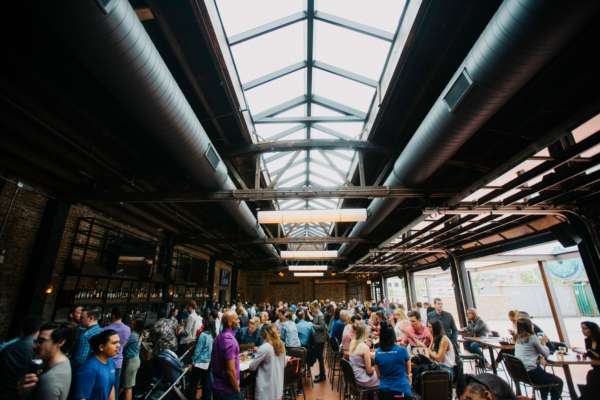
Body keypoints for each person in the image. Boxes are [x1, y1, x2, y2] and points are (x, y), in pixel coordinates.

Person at [17, 322, 74, 400]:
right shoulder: (64, 360)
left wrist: (22, 394)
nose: (34, 346)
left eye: (41, 341)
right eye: (36, 341)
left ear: (60, 342)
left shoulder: (50, 379)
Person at [514, 318, 562, 400]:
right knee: (558, 382)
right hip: (531, 373)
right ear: (529, 326)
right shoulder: (532, 337)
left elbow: (530, 352)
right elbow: (546, 354)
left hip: (521, 373)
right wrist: (544, 343)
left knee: (544, 379)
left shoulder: (517, 339)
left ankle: (544, 398)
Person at [0, 316, 41, 400]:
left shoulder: (8, 346)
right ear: (38, 332)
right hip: (20, 391)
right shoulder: (37, 350)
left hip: (4, 387)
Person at [72, 329, 120, 400]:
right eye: (114, 343)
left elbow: (111, 386)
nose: (118, 345)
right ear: (101, 347)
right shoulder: (88, 369)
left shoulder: (111, 361)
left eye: (118, 342)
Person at [374, 322, 412, 400]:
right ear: (393, 336)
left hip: (384, 392)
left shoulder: (377, 353)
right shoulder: (402, 350)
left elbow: (378, 376)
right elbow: (408, 371)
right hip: (401, 392)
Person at [249, 324, 286, 400]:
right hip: (277, 385)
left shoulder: (265, 347)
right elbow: (284, 363)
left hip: (266, 387)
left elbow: (252, 367)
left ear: (264, 334)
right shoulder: (281, 344)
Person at [211, 311, 241, 399]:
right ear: (229, 323)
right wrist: (237, 388)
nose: (239, 321)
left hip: (217, 387)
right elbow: (230, 371)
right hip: (227, 390)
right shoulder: (229, 340)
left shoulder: (218, 337)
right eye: (236, 319)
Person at [103, 307, 130, 396]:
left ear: (113, 315)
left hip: (106, 361)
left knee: (105, 388)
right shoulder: (127, 329)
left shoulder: (106, 329)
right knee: (115, 387)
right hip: (118, 362)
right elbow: (124, 345)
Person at [348, 322, 379, 388]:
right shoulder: (364, 347)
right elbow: (369, 372)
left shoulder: (352, 342)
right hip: (362, 378)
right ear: (365, 334)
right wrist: (375, 369)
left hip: (353, 375)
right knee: (385, 375)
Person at [192, 317, 216, 400]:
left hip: (199, 362)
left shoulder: (203, 335)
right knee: (206, 383)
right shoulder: (213, 335)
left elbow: (198, 350)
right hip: (208, 363)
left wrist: (193, 360)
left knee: (194, 382)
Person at [122, 319, 143, 400]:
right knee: (126, 385)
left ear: (136, 325)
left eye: (133, 323)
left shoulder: (133, 335)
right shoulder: (138, 334)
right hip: (135, 360)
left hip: (132, 361)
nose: (131, 324)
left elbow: (124, 345)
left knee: (128, 388)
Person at [578, 321, 600, 399]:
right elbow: (591, 353)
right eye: (582, 329)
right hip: (596, 368)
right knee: (591, 375)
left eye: (585, 328)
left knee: (592, 376)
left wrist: (589, 352)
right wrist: (586, 354)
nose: (583, 331)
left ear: (592, 329)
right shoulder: (587, 340)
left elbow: (596, 354)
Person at [310, 301, 327, 383]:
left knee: (320, 358)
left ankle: (322, 376)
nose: (311, 310)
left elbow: (322, 327)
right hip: (318, 338)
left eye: (312, 308)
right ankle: (321, 374)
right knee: (319, 358)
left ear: (316, 307)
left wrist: (312, 325)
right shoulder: (317, 314)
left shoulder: (320, 315)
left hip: (320, 339)